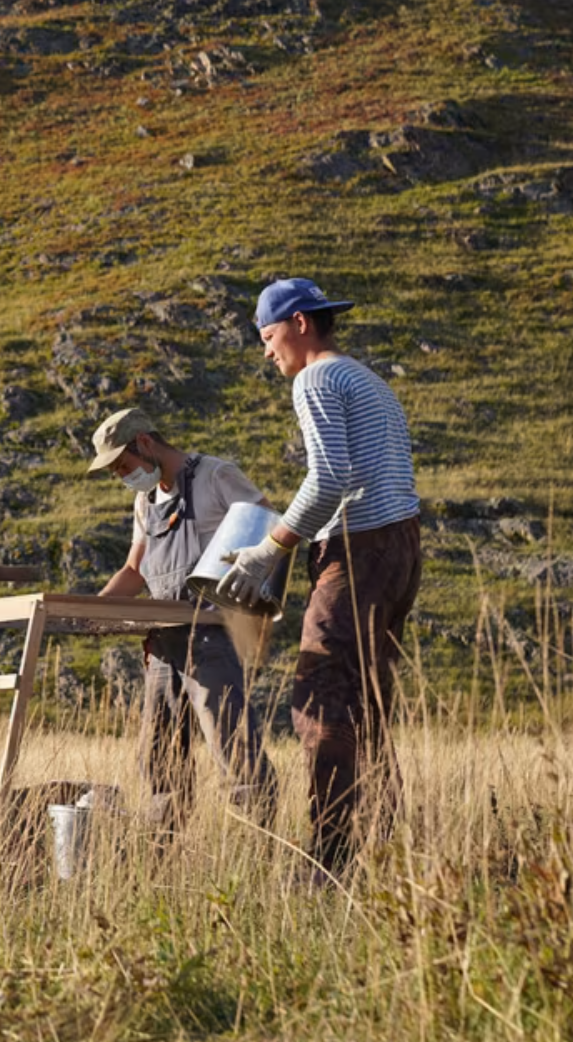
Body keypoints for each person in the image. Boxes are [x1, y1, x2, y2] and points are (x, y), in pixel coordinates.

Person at [219, 278, 421, 874]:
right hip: (399, 543)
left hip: (357, 546)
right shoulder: (369, 379)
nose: (266, 351)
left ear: (300, 323)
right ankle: (382, 850)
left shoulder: (316, 378)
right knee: (367, 702)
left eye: (268, 335)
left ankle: (330, 857)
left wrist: (271, 548)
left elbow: (329, 477)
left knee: (319, 699)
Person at [86, 408, 278, 834]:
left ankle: (259, 847)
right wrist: (94, 609)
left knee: (233, 745)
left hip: (212, 636)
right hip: (162, 645)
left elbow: (267, 523)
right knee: (159, 757)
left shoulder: (216, 476)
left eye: (123, 465)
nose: (122, 477)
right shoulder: (146, 500)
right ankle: (160, 857)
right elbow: (135, 570)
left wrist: (244, 595)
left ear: (147, 444)